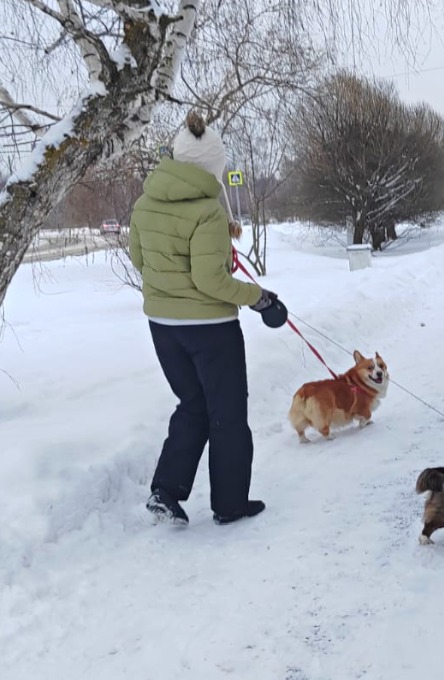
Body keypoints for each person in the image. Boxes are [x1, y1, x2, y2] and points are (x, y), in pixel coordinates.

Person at [128, 110, 279, 526]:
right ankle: (230, 503)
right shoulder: (208, 213)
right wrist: (259, 298)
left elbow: (138, 259)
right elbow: (211, 281)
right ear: (213, 166)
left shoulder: (145, 203)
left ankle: (166, 491)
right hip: (211, 332)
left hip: (163, 328)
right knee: (226, 413)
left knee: (192, 405)